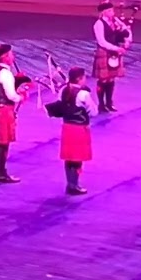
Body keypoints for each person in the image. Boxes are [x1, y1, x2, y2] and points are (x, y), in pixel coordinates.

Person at [52, 67, 98, 195]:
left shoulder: (63, 90)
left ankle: (70, 183)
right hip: (79, 129)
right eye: (84, 78)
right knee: (78, 159)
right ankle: (75, 185)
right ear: (79, 79)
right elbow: (93, 112)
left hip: (67, 127)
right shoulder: (83, 94)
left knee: (69, 157)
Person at [0, 44, 28, 183]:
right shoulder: (6, 73)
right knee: (3, 143)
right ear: (4, 57)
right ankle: (1, 173)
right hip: (4, 109)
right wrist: (20, 97)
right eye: (11, 54)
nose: (13, 56)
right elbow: (11, 95)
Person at [92, 1, 132, 112]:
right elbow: (101, 41)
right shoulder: (99, 24)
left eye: (112, 10)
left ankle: (109, 103)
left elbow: (127, 30)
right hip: (105, 51)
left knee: (111, 79)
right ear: (103, 12)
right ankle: (101, 104)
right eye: (109, 11)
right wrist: (116, 48)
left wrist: (127, 41)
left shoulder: (115, 22)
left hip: (114, 52)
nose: (112, 12)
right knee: (103, 79)